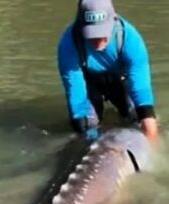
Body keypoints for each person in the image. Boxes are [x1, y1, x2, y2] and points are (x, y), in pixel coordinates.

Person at [57, 0, 159, 142]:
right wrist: (85, 133)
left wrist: (152, 137)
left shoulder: (129, 38)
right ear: (80, 26)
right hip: (89, 84)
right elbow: (77, 96)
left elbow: (141, 89)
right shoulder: (69, 44)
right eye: (92, 34)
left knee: (137, 120)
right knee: (86, 128)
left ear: (114, 20)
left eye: (102, 32)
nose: (98, 41)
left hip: (120, 80)